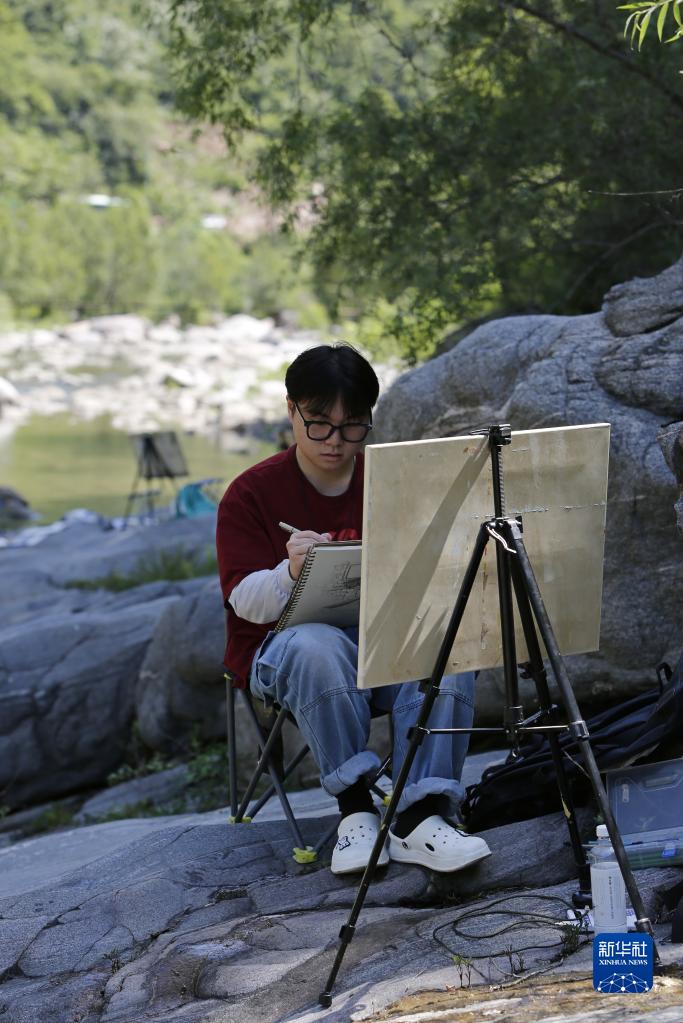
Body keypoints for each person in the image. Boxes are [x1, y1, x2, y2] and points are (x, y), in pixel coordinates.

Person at [216, 343, 491, 875]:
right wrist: (291, 573)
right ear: (291, 409)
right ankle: (356, 809)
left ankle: (423, 814)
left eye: (352, 426)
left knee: (447, 637)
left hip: (380, 647)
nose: (335, 442)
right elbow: (245, 604)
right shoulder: (250, 493)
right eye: (318, 423)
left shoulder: (388, 483)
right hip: (283, 657)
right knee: (315, 642)